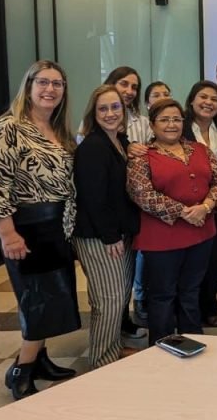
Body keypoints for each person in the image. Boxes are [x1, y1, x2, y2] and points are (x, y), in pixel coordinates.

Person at [0, 60, 80, 400]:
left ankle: (41, 359)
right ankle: (21, 369)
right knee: (36, 300)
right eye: (43, 82)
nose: (50, 89)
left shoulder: (57, 129)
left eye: (57, 84)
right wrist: (8, 235)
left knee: (50, 298)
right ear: (29, 86)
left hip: (56, 227)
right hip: (26, 229)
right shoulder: (6, 129)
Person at [127, 98, 217, 345]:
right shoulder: (142, 156)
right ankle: (162, 349)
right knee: (162, 296)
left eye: (176, 119)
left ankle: (191, 344)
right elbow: (141, 193)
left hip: (201, 235)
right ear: (152, 125)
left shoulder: (200, 149)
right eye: (164, 119)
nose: (171, 124)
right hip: (161, 240)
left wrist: (206, 207)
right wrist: (184, 212)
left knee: (191, 292)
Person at [72, 84, 140, 369]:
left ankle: (112, 347)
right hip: (100, 236)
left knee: (120, 296)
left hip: (118, 232)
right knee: (108, 300)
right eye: (103, 108)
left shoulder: (119, 141)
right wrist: (110, 236)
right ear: (93, 113)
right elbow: (93, 198)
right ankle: (102, 361)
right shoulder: (93, 147)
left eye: (115, 107)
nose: (110, 113)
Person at [183, 80, 217, 328]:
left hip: (215, 207)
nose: (208, 102)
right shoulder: (179, 128)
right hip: (187, 208)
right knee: (189, 264)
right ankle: (188, 312)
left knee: (213, 262)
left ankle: (209, 307)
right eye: (203, 97)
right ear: (192, 100)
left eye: (214, 99)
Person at [131, 80, 173, 325]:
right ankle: (140, 297)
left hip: (168, 204)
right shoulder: (139, 125)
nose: (162, 97)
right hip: (142, 200)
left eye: (166, 93)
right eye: (156, 94)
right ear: (147, 102)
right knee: (142, 255)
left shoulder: (173, 125)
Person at [104, 66, 150, 144]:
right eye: (124, 84)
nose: (129, 92)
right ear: (111, 84)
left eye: (134, 87)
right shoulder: (92, 121)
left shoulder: (143, 123)